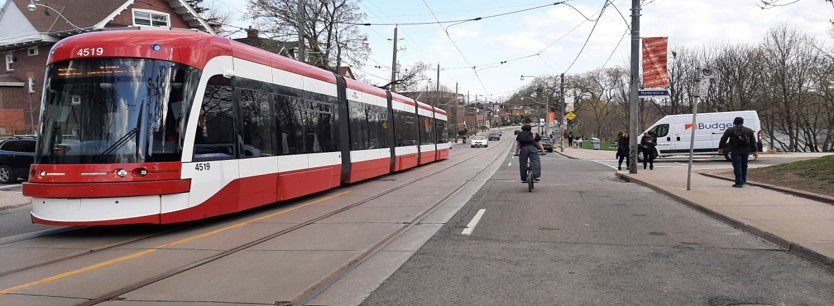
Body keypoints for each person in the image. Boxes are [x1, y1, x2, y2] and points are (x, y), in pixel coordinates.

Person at [718, 116, 759, 188]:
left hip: (735, 150)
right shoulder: (748, 130)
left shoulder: (730, 130)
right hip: (746, 151)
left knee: (737, 166)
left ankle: (739, 182)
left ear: (734, 122)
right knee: (744, 165)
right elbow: (753, 141)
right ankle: (743, 180)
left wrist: (720, 148)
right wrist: (755, 150)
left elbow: (723, 139)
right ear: (742, 122)